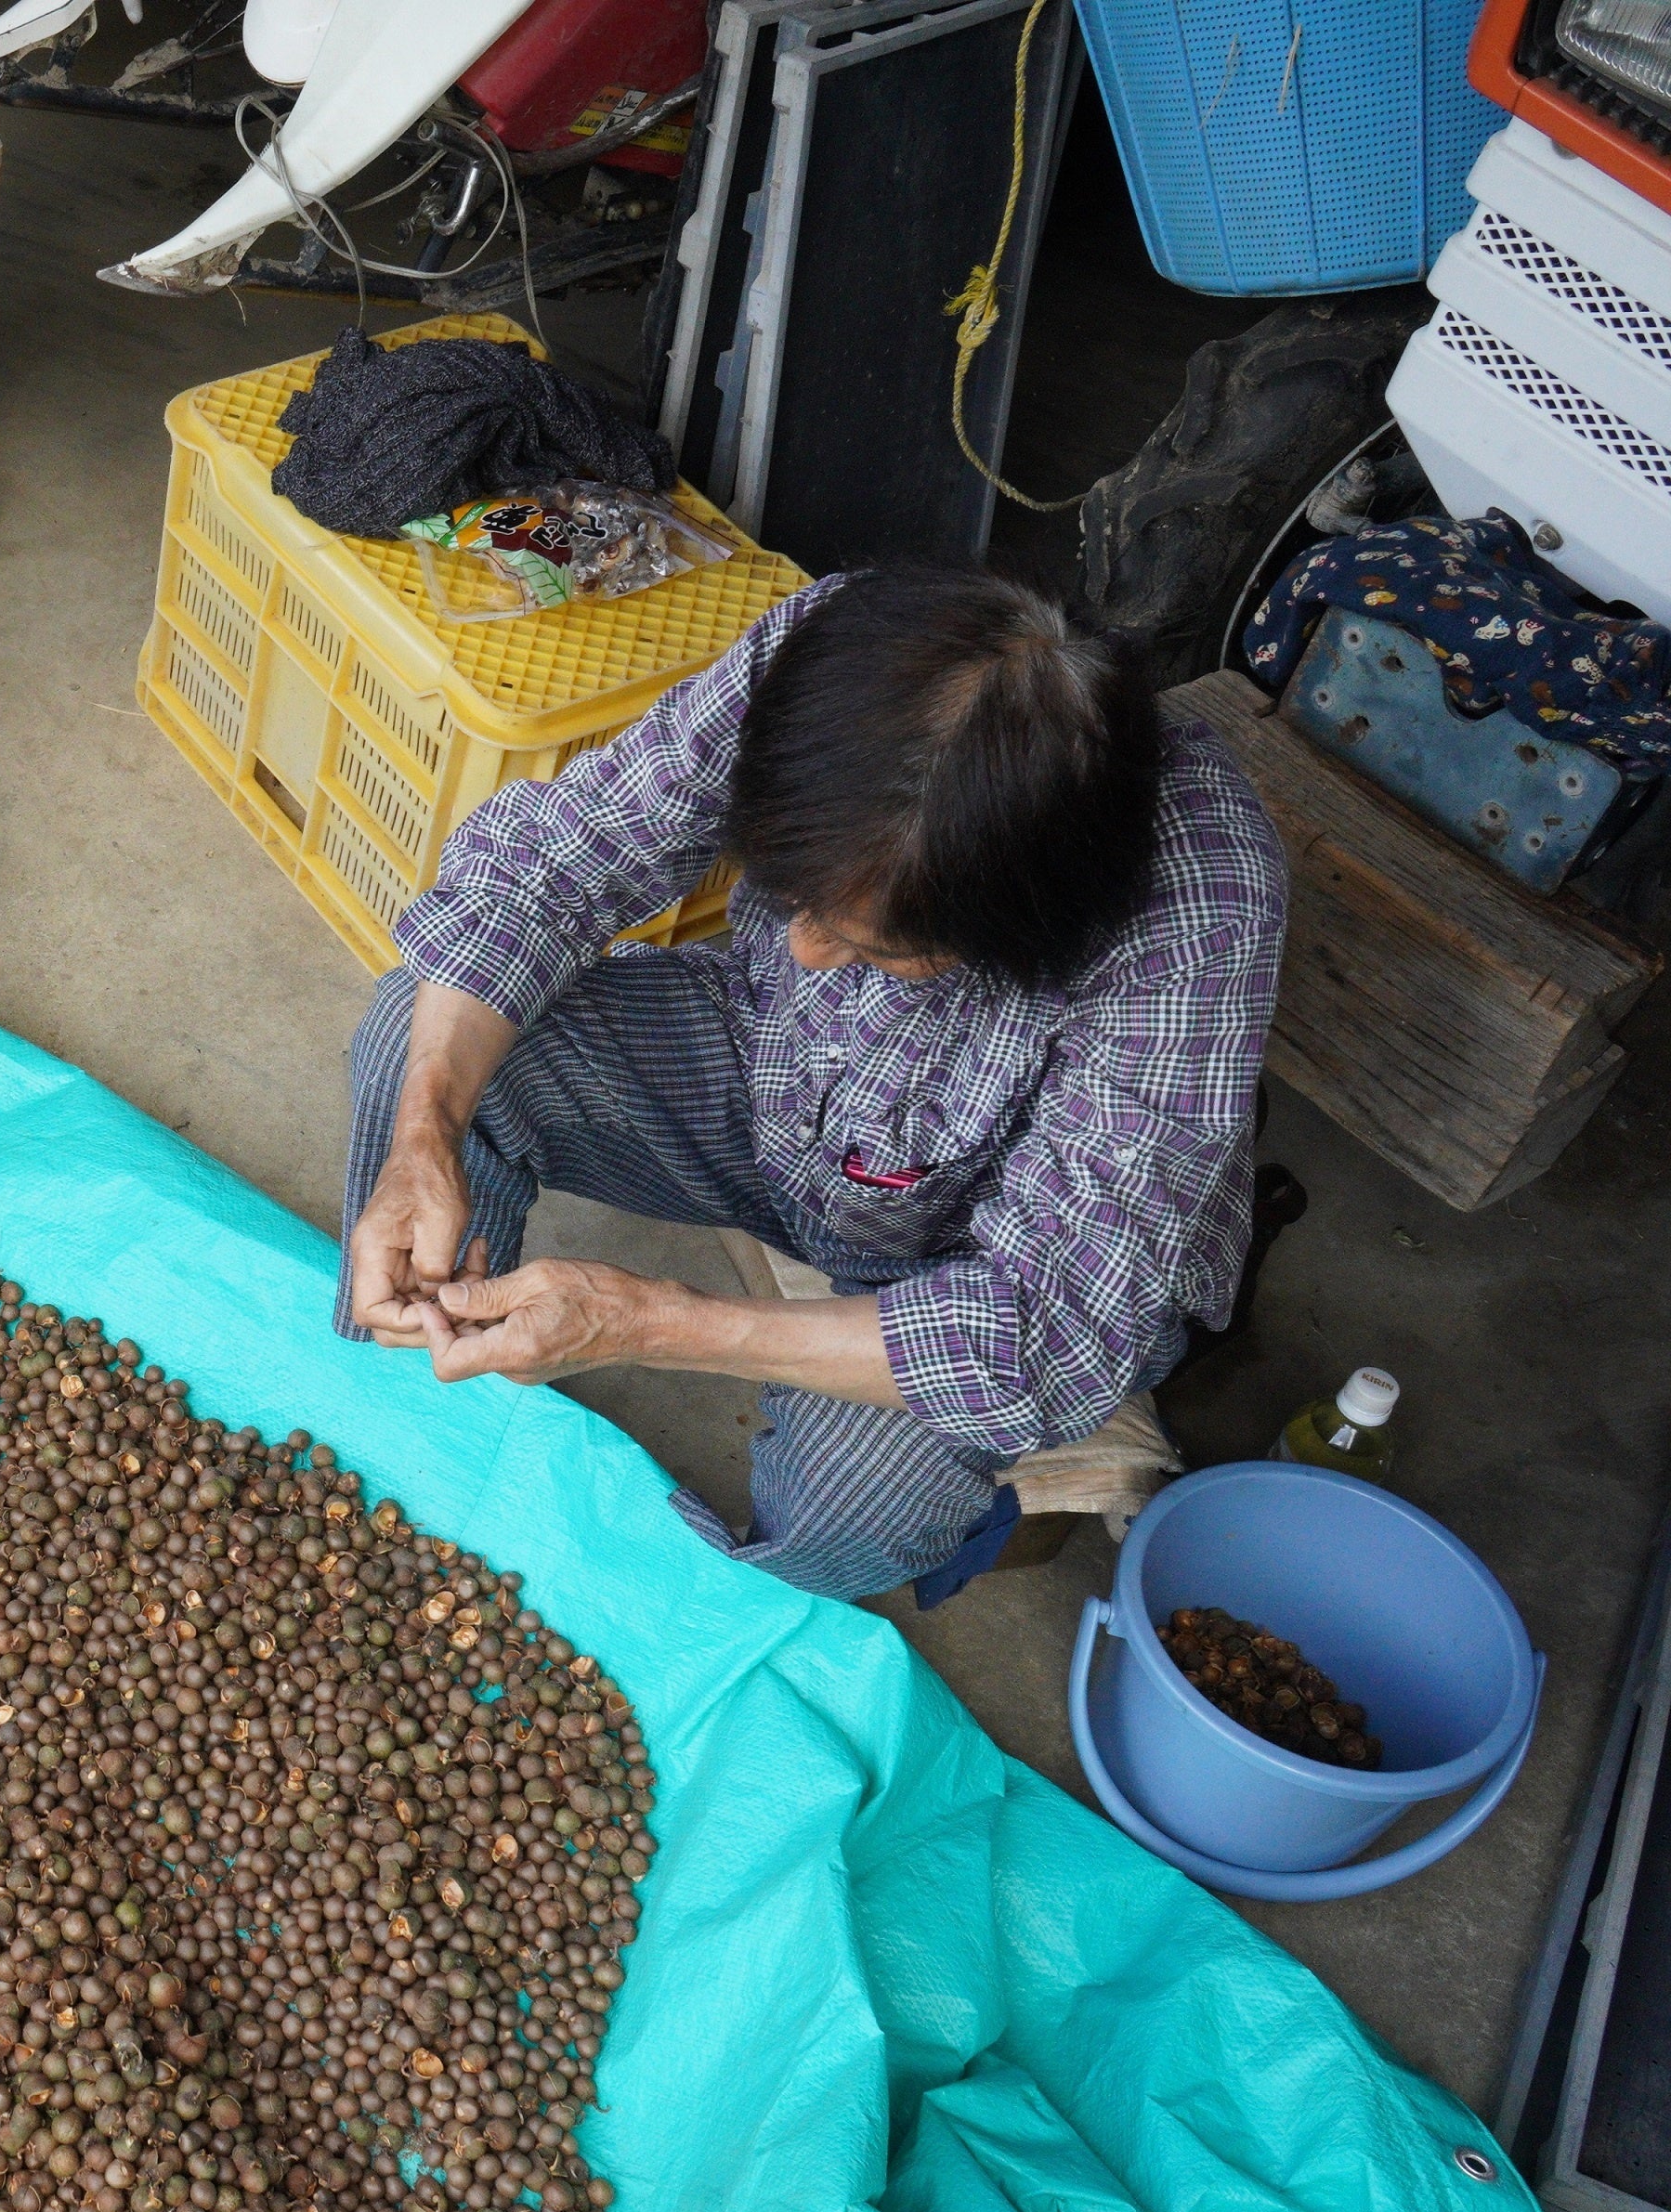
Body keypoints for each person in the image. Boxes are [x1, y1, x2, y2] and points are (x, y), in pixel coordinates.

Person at [340, 567, 1285, 1604]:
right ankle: (426, 1404)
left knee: (854, 1507)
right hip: (770, 1073)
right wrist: (425, 1134)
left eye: (873, 945)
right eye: (793, 893)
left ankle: (967, 1506)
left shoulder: (1198, 911)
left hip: (978, 1250)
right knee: (417, 1040)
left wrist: (651, 1320)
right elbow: (551, 866)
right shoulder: (837, 665)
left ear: (1026, 928)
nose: (802, 946)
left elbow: (1048, 1320)